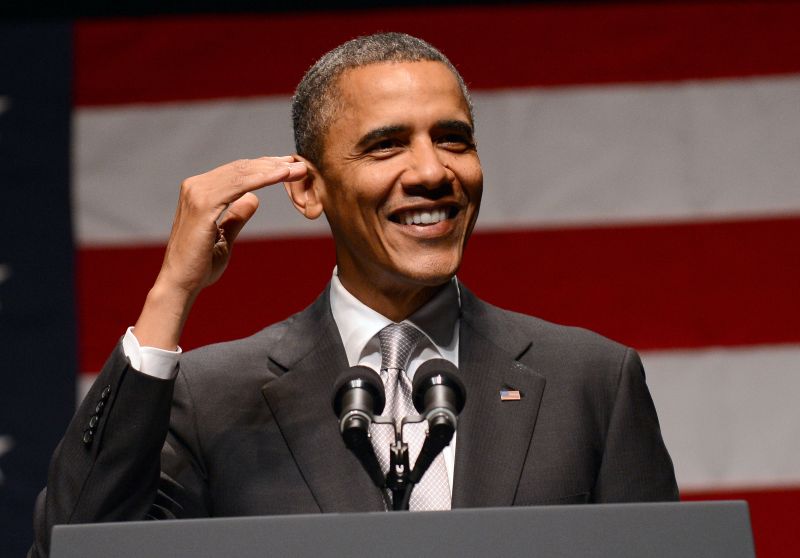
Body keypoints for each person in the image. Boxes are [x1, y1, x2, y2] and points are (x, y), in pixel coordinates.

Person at [29, 32, 678, 557]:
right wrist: (171, 292)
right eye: (387, 145)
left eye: (453, 139)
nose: (431, 171)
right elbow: (77, 541)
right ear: (308, 190)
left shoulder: (592, 382)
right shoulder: (211, 397)